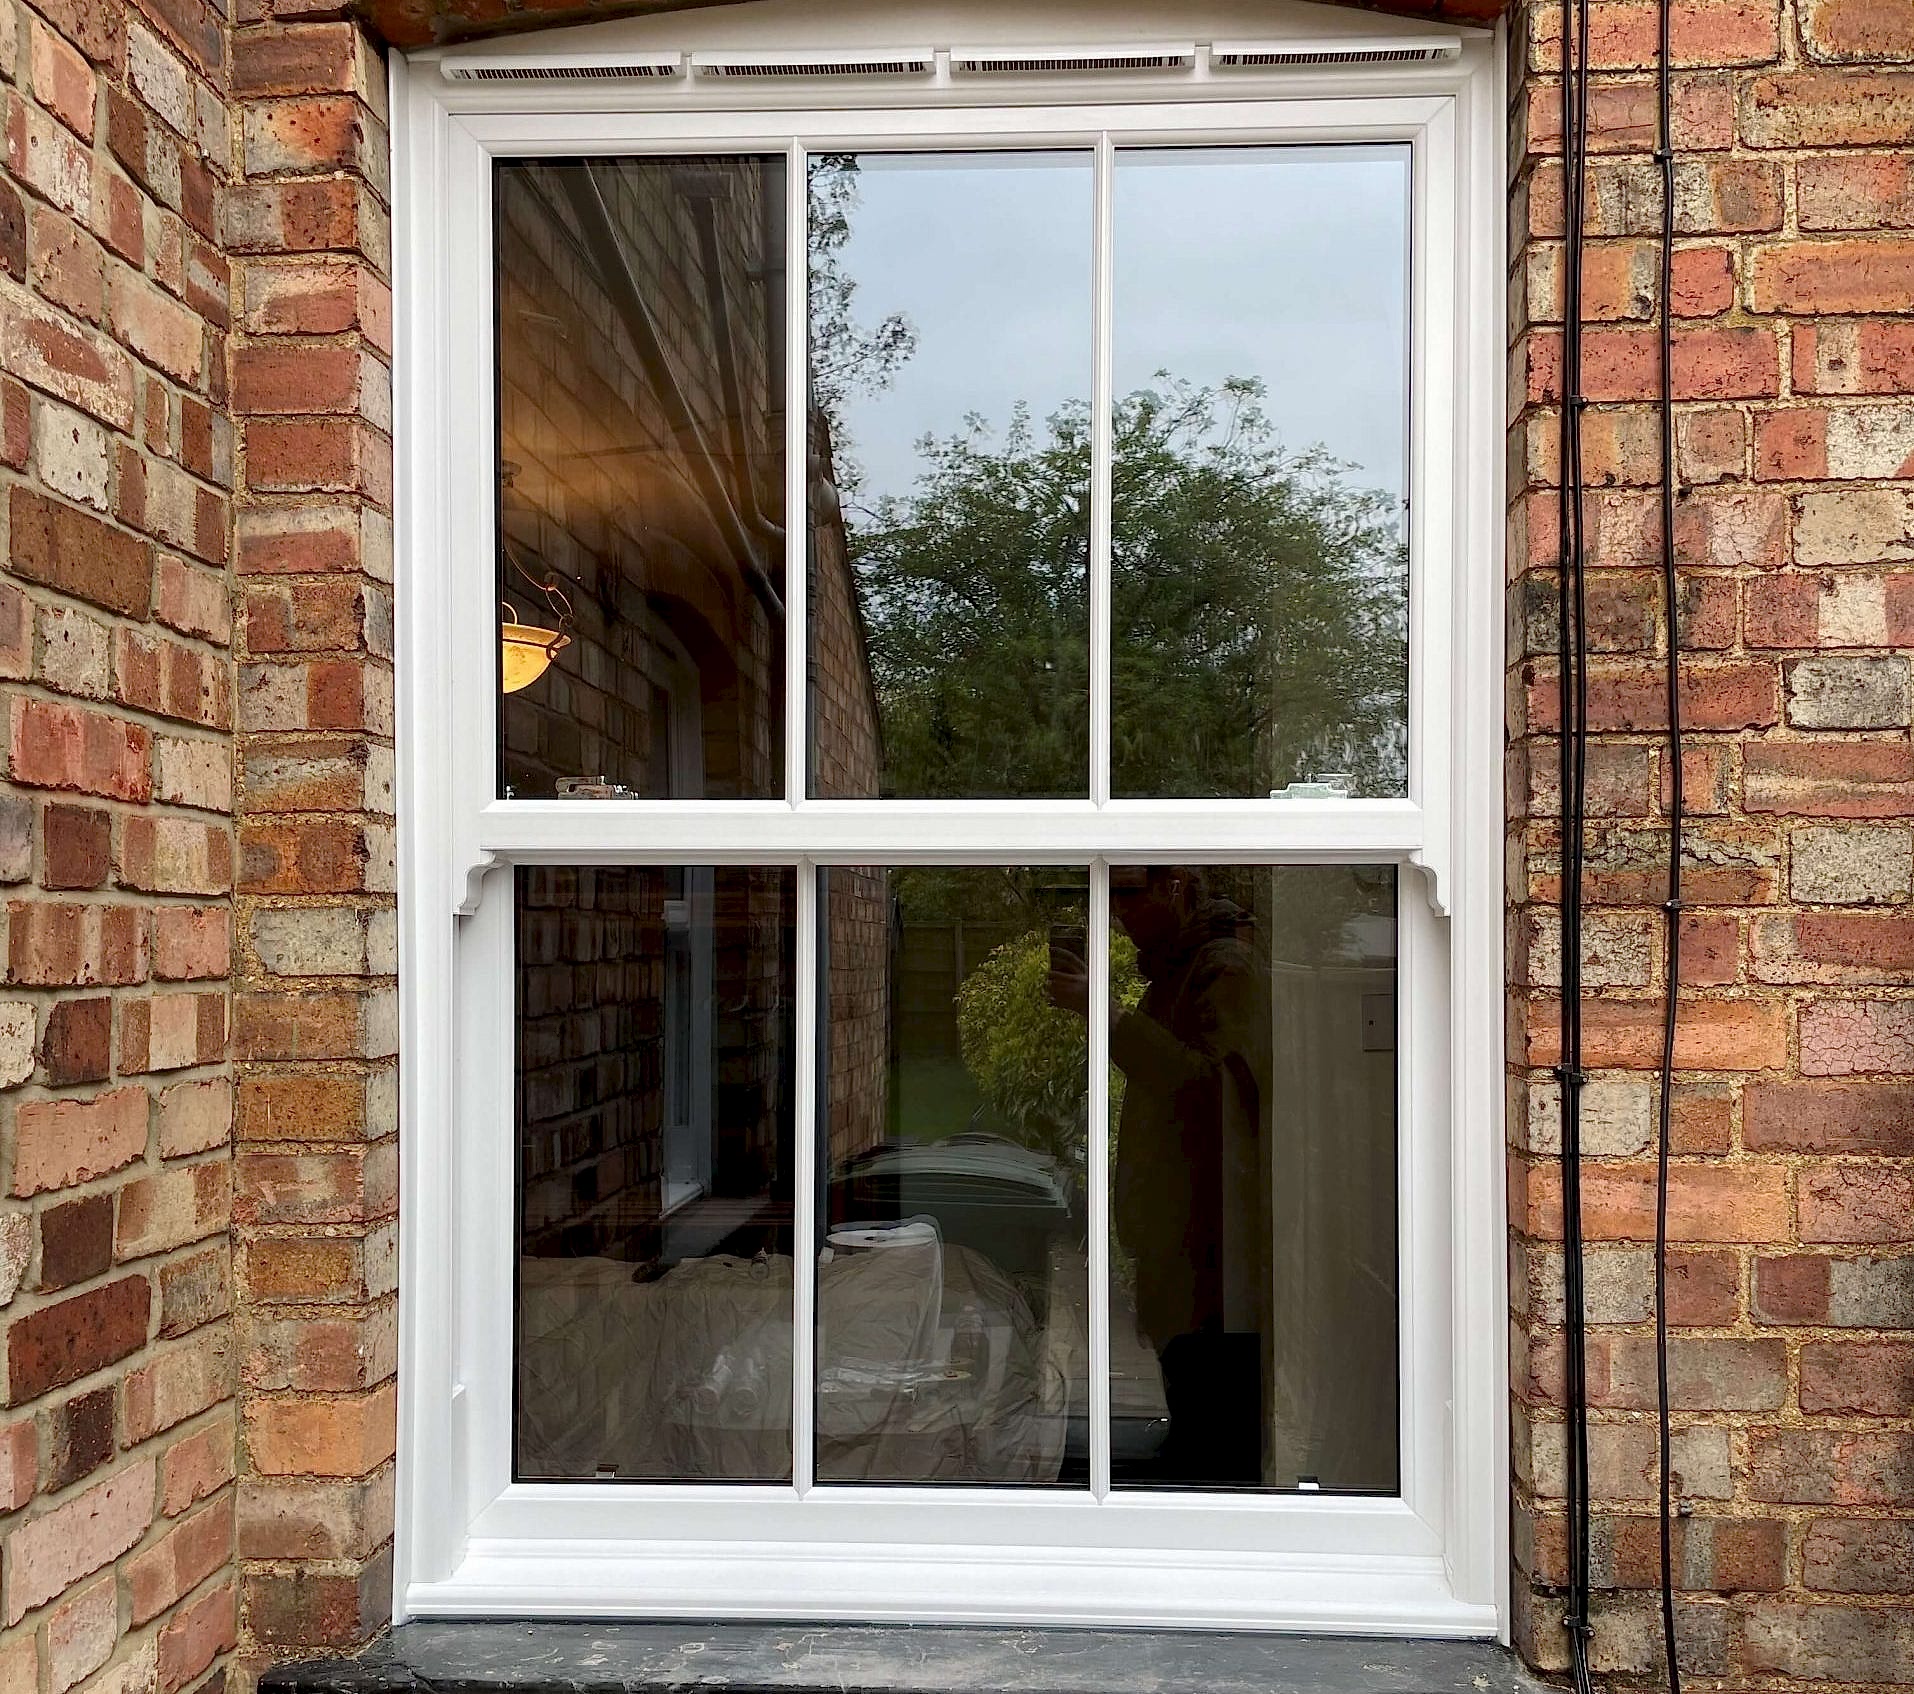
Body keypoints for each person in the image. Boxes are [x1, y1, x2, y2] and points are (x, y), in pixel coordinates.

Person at [1049, 866, 1272, 1486]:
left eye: (1125, 892)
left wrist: (1108, 1015)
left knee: (1212, 1438)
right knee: (1188, 1413)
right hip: (1177, 1244)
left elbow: (1211, 1093)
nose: (1114, 910)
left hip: (1209, 1254)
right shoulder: (1176, 968)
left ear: (1174, 887)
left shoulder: (1222, 969)